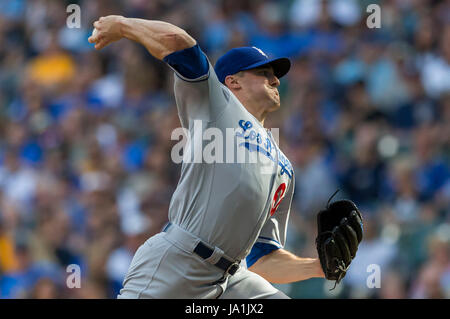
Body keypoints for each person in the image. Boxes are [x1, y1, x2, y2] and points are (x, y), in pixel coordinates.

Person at [88, 15, 325, 299]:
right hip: (179, 262)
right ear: (233, 81)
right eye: (263, 73)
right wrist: (122, 25)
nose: (275, 79)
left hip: (231, 279)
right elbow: (180, 44)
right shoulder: (217, 105)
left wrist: (317, 267)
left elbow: (263, 258)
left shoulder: (284, 165)